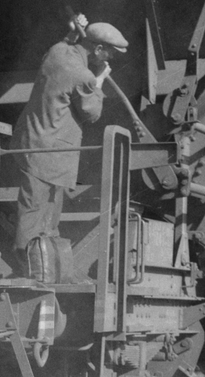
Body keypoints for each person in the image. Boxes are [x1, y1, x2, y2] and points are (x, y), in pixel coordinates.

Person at [9, 21, 128, 263]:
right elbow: (92, 113)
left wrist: (72, 32)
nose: (112, 58)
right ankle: (29, 268)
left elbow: (64, 45)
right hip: (52, 152)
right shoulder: (83, 76)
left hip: (32, 141)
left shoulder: (57, 51)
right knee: (41, 215)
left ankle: (40, 266)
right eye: (110, 52)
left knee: (34, 210)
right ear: (97, 49)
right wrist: (100, 80)